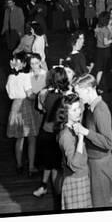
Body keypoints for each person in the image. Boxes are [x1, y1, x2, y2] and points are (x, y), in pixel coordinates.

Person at [73, 74, 112, 208]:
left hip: (100, 165)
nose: (79, 97)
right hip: (93, 161)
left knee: (100, 203)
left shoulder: (100, 110)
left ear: (89, 89)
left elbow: (109, 143)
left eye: (79, 93)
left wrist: (86, 132)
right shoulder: (90, 107)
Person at [33, 67, 70, 199]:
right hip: (59, 132)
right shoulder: (67, 95)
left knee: (49, 163)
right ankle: (57, 194)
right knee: (56, 165)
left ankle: (45, 186)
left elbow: (40, 108)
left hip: (46, 131)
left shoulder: (43, 93)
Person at [57, 93, 93, 210]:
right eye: (74, 110)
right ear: (66, 112)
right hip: (75, 180)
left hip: (82, 177)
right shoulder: (66, 135)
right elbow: (74, 164)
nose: (78, 112)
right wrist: (81, 138)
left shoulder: (75, 126)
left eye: (78, 108)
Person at [5, 52, 39, 174]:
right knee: (31, 138)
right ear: (25, 64)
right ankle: (31, 167)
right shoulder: (25, 77)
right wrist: (39, 96)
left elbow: (9, 94)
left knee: (19, 139)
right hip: (25, 106)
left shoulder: (10, 77)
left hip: (14, 106)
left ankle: (19, 165)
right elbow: (30, 95)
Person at [94, 11, 112, 89]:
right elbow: (105, 42)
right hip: (106, 50)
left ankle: (97, 86)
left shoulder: (97, 27)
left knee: (100, 69)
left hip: (98, 50)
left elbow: (96, 36)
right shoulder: (105, 30)